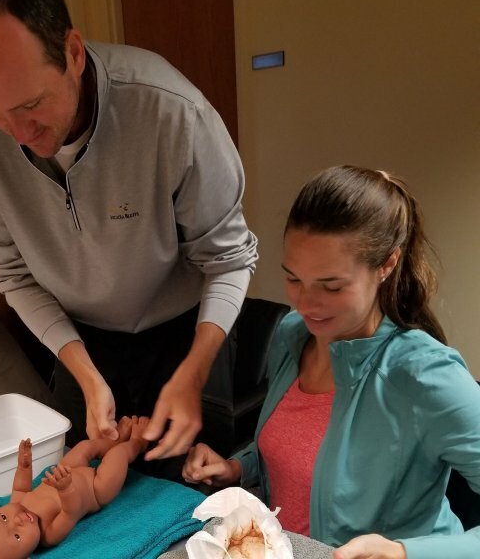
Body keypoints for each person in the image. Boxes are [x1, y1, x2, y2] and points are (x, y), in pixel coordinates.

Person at [0, 0, 257, 463]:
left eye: (30, 104)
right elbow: (15, 274)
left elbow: (230, 260)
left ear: (73, 53)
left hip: (184, 331)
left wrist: (193, 372)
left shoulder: (170, 111)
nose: (18, 135)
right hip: (77, 339)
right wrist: (86, 375)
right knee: (75, 492)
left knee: (195, 490)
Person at [182, 165, 480, 559]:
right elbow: (305, 452)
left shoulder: (425, 376)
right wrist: (239, 469)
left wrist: (404, 552)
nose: (305, 303)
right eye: (294, 279)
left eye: (331, 286)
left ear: (386, 265)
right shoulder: (292, 336)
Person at [0, 415, 150, 558]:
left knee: (84, 447)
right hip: (96, 488)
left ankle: (113, 441)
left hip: (68, 471)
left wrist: (24, 466)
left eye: (3, 517)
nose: (17, 520)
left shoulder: (18, 504)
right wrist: (65, 489)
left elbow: (21, 487)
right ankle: (137, 443)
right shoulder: (49, 535)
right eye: (17, 536)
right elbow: (71, 512)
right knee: (118, 457)